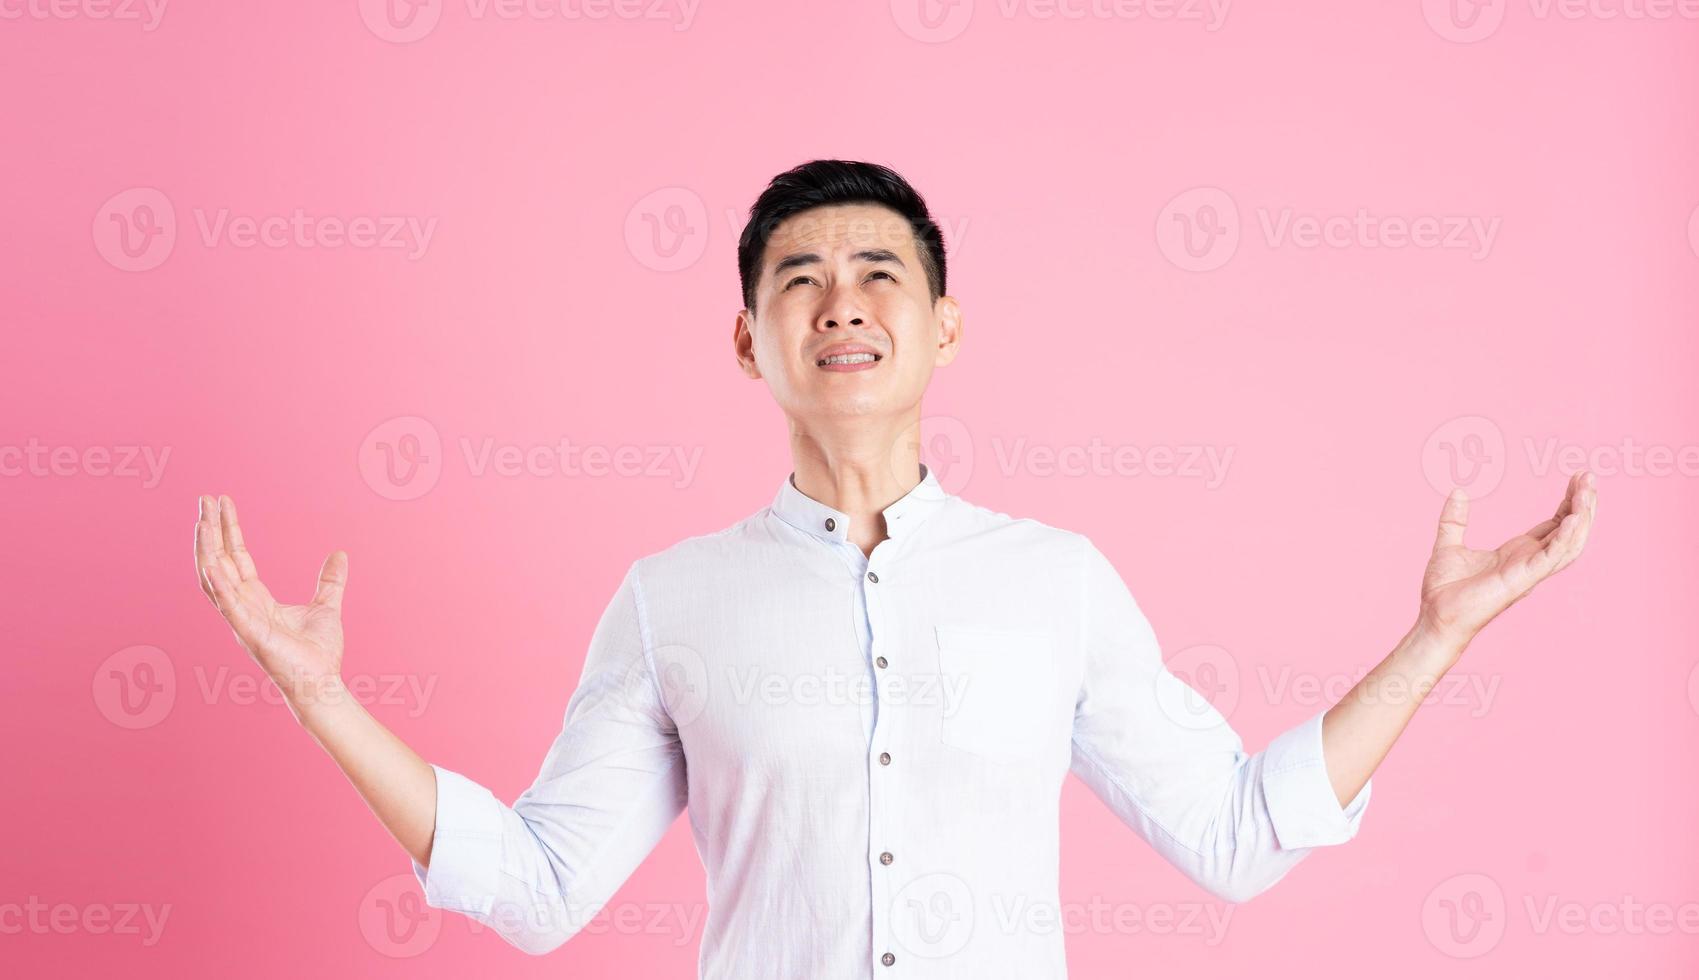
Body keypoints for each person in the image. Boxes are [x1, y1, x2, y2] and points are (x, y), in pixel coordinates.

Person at [192, 159, 1597, 978]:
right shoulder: (672, 599)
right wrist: (325, 701)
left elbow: (1236, 835)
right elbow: (542, 884)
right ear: (750, 339)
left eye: (880, 272)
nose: (842, 302)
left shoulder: (1055, 581)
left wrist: (1434, 642)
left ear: (942, 327)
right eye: (797, 278)